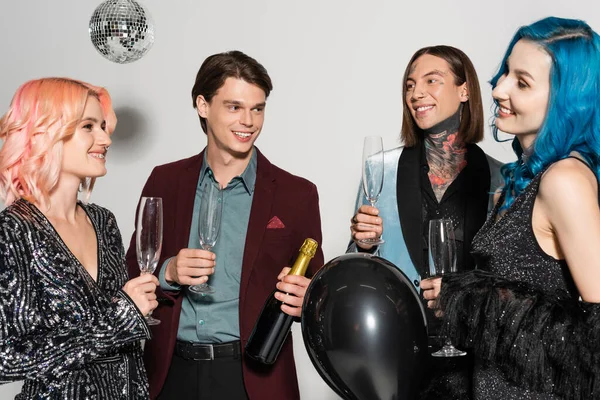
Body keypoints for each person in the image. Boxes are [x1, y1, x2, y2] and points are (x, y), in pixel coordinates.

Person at [125, 51, 324, 400]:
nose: (248, 121)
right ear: (203, 105)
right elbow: (131, 272)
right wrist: (168, 272)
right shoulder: (164, 181)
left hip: (253, 380)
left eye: (258, 108)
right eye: (234, 107)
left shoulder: (298, 194)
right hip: (171, 374)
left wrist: (308, 298)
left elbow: (315, 292)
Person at [422, 17, 600, 399]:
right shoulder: (522, 178)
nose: (499, 88)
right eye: (505, 72)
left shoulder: (565, 180)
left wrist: (468, 297)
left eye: (522, 82)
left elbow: (596, 336)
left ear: (566, 98)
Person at [348, 45, 492, 399]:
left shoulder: (501, 179)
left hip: (475, 358)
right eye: (410, 85)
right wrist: (363, 243)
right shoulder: (379, 168)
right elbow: (356, 265)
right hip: (396, 351)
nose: (417, 93)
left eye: (432, 80)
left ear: (464, 90)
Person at [0, 78, 158, 399]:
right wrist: (120, 318)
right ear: (45, 133)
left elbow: (127, 352)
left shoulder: (103, 221)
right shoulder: (15, 230)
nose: (105, 138)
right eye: (88, 126)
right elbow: (7, 357)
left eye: (103, 125)